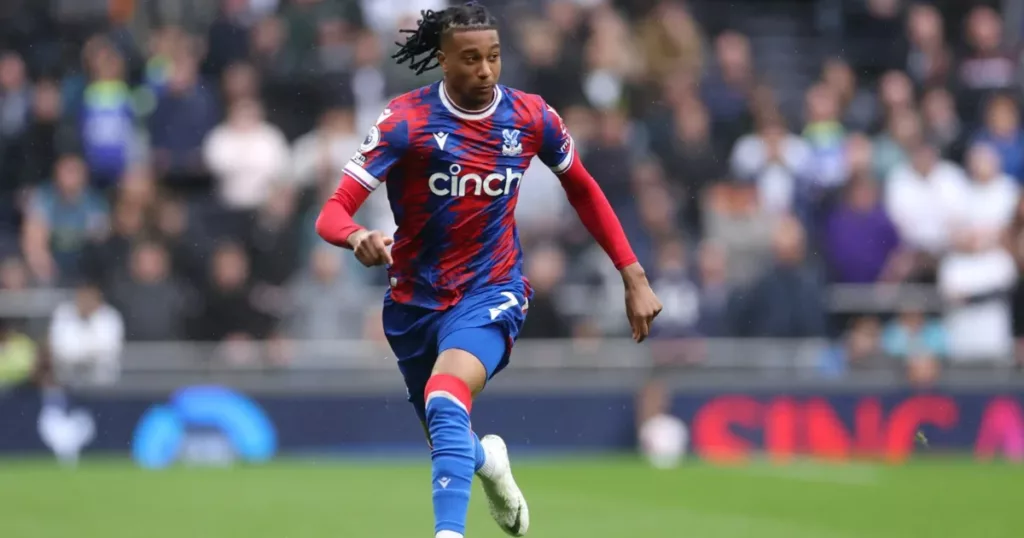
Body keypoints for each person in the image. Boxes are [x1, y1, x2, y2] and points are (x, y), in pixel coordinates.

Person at [314, 4, 662, 538]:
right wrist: (356, 235)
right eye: (471, 59)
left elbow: (584, 189)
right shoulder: (405, 122)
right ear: (443, 61)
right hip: (412, 305)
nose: (485, 70)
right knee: (446, 431)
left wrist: (632, 273)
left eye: (494, 57)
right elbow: (332, 212)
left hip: (491, 290)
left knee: (445, 396)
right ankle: (490, 463)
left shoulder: (531, 117)